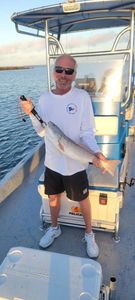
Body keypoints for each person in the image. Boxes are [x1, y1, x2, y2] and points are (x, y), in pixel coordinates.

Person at [21, 54, 106, 258]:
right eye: (59, 69)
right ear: (53, 71)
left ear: (75, 75)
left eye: (69, 71)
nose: (63, 75)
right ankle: (54, 227)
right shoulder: (44, 99)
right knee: (52, 197)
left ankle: (89, 233)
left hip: (76, 164)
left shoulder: (82, 98)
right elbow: (42, 131)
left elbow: (87, 133)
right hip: (52, 163)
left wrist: (95, 153)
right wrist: (31, 113)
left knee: (83, 199)